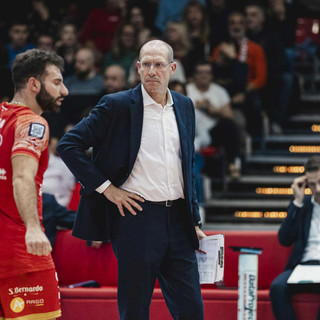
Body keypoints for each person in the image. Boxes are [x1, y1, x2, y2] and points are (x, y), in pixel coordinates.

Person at [57, 39, 206, 320]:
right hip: (136, 218)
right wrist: (107, 189)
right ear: (137, 68)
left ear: (172, 68)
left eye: (159, 64)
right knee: (135, 310)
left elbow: (187, 169)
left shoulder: (185, 105)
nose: (152, 70)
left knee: (192, 310)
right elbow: (68, 144)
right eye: (146, 64)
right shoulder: (116, 105)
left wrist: (194, 220)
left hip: (178, 220)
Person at [0, 48, 68, 320]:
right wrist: (33, 229)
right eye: (57, 82)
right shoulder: (33, 124)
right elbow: (22, 177)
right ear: (34, 84)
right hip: (22, 253)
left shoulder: (2, 116)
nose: (64, 91)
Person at [270, 156, 320, 320]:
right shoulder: (303, 205)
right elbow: (284, 239)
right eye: (312, 184)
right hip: (303, 265)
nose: (317, 188)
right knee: (277, 287)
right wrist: (297, 202)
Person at [211, 11, 267, 140]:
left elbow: (261, 79)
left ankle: (253, 138)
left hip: (247, 91)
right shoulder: (219, 49)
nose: (236, 27)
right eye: (232, 23)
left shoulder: (256, 48)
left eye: (240, 23)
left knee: (254, 103)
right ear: (227, 27)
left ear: (246, 26)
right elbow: (212, 74)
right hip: (224, 89)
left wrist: (243, 92)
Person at [186, 60, 242, 178]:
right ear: (194, 75)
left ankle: (232, 164)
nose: (204, 75)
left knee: (229, 125)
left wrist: (213, 110)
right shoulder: (187, 90)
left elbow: (229, 116)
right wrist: (196, 106)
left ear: (212, 75)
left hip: (213, 132)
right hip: (192, 131)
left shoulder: (219, 91)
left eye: (207, 72)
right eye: (200, 72)